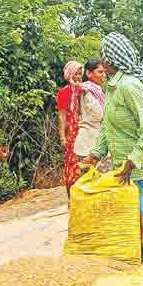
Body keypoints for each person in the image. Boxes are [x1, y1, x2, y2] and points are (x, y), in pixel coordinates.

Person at [82, 33, 143, 261]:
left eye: (104, 56)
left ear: (112, 59)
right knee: (130, 217)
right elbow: (107, 125)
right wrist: (95, 154)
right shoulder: (111, 87)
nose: (102, 61)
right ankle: (136, 258)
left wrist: (133, 160)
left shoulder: (130, 86)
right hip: (128, 166)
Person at [57, 61, 85, 196]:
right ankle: (71, 196)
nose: (78, 77)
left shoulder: (84, 90)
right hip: (71, 132)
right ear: (69, 74)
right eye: (76, 73)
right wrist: (62, 137)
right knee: (71, 162)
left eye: (80, 74)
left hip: (84, 129)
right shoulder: (63, 93)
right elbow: (62, 116)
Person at [72, 58, 106, 163]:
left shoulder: (96, 90)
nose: (104, 75)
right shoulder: (87, 91)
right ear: (88, 73)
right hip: (88, 142)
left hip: (94, 141)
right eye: (100, 72)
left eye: (104, 71)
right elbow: (100, 115)